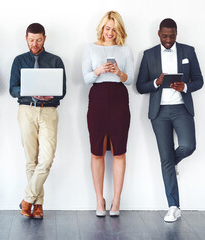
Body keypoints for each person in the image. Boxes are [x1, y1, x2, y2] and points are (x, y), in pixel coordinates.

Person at [136, 18, 203, 222]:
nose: (168, 40)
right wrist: (156, 82)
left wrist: (185, 87)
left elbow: (200, 80)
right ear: (158, 34)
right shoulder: (148, 55)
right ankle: (174, 206)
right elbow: (140, 86)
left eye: (172, 36)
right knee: (165, 159)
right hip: (160, 113)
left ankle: (170, 164)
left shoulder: (188, 52)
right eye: (165, 36)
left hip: (181, 109)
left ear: (176, 33)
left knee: (188, 146)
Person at [10, 23, 66, 219]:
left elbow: (62, 92)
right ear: (26, 38)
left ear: (45, 38)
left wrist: (50, 95)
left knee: (47, 159)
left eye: (39, 40)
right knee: (30, 161)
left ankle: (27, 200)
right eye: (31, 40)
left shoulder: (55, 60)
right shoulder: (19, 61)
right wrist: (29, 91)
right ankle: (38, 206)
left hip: (49, 111)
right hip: (26, 110)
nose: (35, 44)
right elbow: (12, 89)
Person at [82, 11, 134, 217]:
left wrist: (119, 72)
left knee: (119, 151)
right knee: (97, 152)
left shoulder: (125, 49)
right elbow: (85, 78)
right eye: (107, 28)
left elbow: (129, 80)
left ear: (119, 30)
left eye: (114, 28)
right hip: (97, 100)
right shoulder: (90, 48)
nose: (110, 32)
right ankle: (99, 200)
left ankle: (116, 200)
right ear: (102, 28)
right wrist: (98, 71)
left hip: (119, 99)